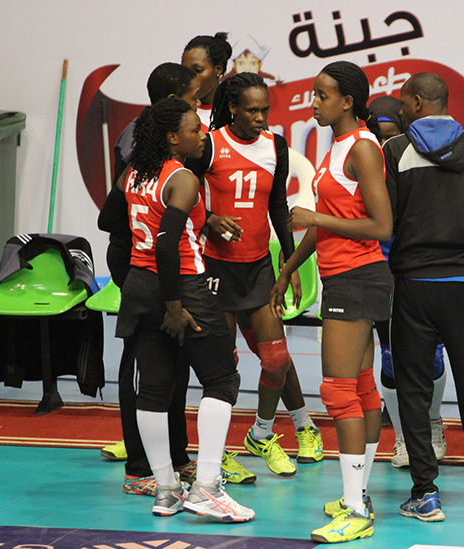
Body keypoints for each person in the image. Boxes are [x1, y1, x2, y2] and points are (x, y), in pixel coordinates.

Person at [383, 73, 464, 521]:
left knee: (414, 392)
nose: (401, 109)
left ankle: (426, 493)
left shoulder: (395, 150)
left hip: (414, 287)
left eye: (404, 102)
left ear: (419, 103)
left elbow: (387, 224)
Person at [115, 97, 254, 521]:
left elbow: (111, 223)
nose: (203, 134)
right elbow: (166, 246)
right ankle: (207, 488)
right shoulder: (183, 179)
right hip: (182, 286)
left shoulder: (132, 174)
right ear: (173, 138)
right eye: (195, 129)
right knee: (222, 378)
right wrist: (174, 307)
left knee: (154, 387)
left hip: (139, 285)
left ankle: (166, 490)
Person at [270, 60, 392, 543]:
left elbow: (381, 226)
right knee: (359, 387)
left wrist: (314, 217)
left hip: (359, 278)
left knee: (340, 391)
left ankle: (356, 509)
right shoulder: (336, 146)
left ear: (347, 101)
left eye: (322, 95)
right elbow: (324, 221)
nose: (314, 103)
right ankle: (357, 495)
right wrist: (289, 267)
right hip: (345, 278)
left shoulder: (362, 147)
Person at [185, 71, 323, 479]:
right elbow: (181, 196)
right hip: (216, 268)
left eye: (265, 110)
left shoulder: (275, 146)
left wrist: (289, 263)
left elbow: (278, 205)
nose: (261, 118)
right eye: (252, 111)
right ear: (232, 108)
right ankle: (218, 453)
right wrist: (210, 218)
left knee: (276, 361)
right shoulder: (209, 145)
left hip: (259, 267)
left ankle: (261, 433)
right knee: (222, 371)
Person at [98, 62, 201, 497]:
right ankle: (140, 468)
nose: (199, 111)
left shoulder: (173, 162)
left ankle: (175, 458)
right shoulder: (141, 152)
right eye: (193, 100)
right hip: (140, 269)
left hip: (159, 267)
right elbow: (110, 220)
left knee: (171, 369)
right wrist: (146, 235)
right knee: (143, 371)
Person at [367, 95, 447, 469]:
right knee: (390, 359)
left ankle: (433, 425)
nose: (385, 143)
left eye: (391, 135)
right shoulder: (364, 166)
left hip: (422, 268)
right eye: (378, 136)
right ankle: (402, 436)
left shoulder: (420, 161)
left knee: (432, 355)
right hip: (381, 272)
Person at [181, 33, 232, 128]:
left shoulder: (237, 111)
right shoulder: (177, 114)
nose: (188, 78)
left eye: (197, 70)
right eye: (184, 70)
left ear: (218, 69)